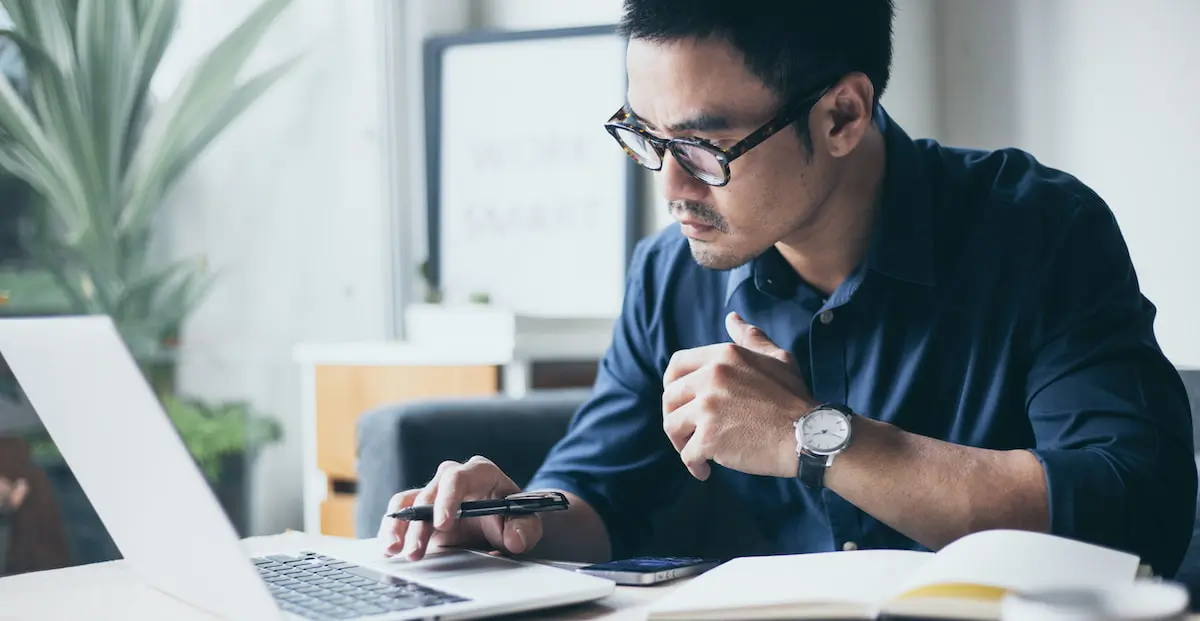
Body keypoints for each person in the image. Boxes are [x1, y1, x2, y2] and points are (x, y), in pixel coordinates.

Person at [380, 0, 1198, 577]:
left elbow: (1135, 510)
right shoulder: (670, 274)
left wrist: (816, 436)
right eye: (642, 135)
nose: (671, 186)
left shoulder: (1039, 231)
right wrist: (512, 519)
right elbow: (600, 497)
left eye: (703, 147)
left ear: (842, 115)